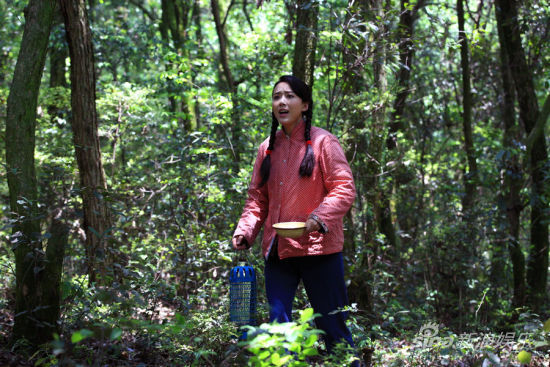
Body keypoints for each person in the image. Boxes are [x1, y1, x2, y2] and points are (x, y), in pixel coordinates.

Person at [232, 75, 357, 357]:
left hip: (319, 251)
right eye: (277, 97)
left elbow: (344, 187)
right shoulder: (267, 148)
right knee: (278, 327)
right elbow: (257, 198)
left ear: (305, 104)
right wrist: (246, 230)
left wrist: (317, 218)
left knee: (333, 327)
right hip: (279, 250)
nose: (282, 102)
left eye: (289, 96)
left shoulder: (325, 142)